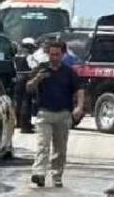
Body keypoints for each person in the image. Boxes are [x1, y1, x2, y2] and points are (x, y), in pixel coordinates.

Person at [27, 40, 86, 188]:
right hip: (44, 114)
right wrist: (37, 79)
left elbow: (80, 89)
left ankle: (57, 176)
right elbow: (28, 88)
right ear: (48, 54)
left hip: (63, 114)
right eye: (51, 54)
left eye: (57, 54)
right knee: (43, 145)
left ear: (63, 55)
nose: (54, 57)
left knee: (60, 149)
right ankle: (39, 173)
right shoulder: (41, 69)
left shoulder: (69, 72)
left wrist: (79, 107)